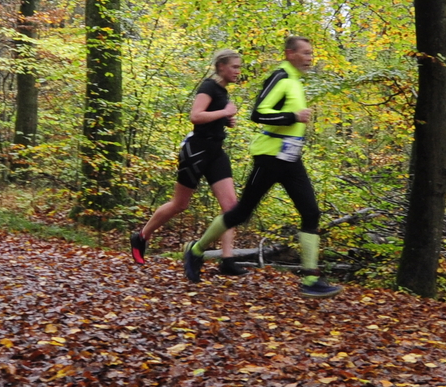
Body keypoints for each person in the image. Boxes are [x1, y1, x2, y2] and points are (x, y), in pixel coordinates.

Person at [182, 36, 339, 297]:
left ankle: (311, 280)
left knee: (311, 212)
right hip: (269, 157)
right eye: (305, 53)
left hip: (290, 158)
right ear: (290, 54)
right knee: (241, 212)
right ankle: (196, 250)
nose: (310, 58)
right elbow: (259, 114)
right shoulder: (280, 77)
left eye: (312, 53)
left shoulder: (296, 81)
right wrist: (293, 116)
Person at [132, 50, 245, 274]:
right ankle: (142, 236)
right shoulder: (208, 87)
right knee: (180, 204)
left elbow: (213, 117)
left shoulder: (222, 91)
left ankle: (228, 260)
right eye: (234, 67)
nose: (238, 71)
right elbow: (195, 116)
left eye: (239, 67)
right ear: (221, 66)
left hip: (216, 152)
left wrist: (227, 119)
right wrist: (223, 112)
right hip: (196, 151)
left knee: (231, 207)